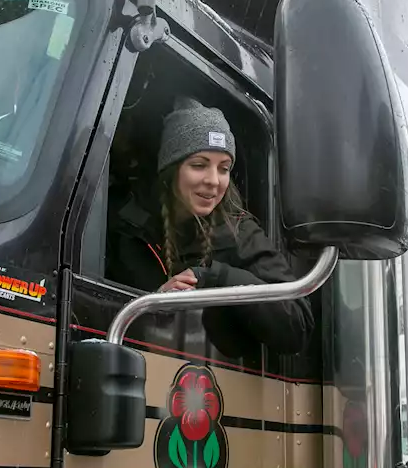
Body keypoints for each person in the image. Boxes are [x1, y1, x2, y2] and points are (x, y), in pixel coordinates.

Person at [104, 96, 313, 355]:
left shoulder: (240, 233)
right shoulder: (124, 222)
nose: (214, 181)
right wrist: (153, 300)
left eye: (224, 168)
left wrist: (218, 279)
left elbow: (297, 328)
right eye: (199, 165)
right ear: (171, 169)